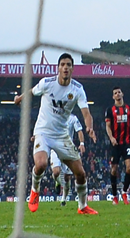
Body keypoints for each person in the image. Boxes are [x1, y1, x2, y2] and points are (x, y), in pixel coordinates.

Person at [15, 53, 98, 215]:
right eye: (62, 65)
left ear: (72, 69)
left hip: (62, 136)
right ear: (58, 68)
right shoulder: (47, 83)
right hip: (43, 133)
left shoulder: (77, 89)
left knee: (80, 173)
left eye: (68, 65)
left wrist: (89, 127)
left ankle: (82, 207)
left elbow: (86, 113)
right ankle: (34, 191)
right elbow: (32, 91)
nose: (65, 67)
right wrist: (20, 98)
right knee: (41, 164)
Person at [105, 86, 130, 205]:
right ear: (113, 96)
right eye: (115, 93)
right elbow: (108, 127)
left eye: (119, 92)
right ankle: (115, 196)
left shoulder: (129, 109)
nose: (117, 94)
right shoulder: (110, 110)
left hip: (127, 143)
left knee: (129, 167)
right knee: (114, 170)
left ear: (122, 94)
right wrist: (111, 138)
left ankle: (124, 192)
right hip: (115, 144)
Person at [51, 114, 85, 206]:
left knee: (67, 177)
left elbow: (79, 131)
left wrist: (82, 143)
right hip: (55, 147)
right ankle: (58, 183)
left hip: (68, 148)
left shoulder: (73, 118)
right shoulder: (55, 116)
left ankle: (63, 199)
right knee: (56, 172)